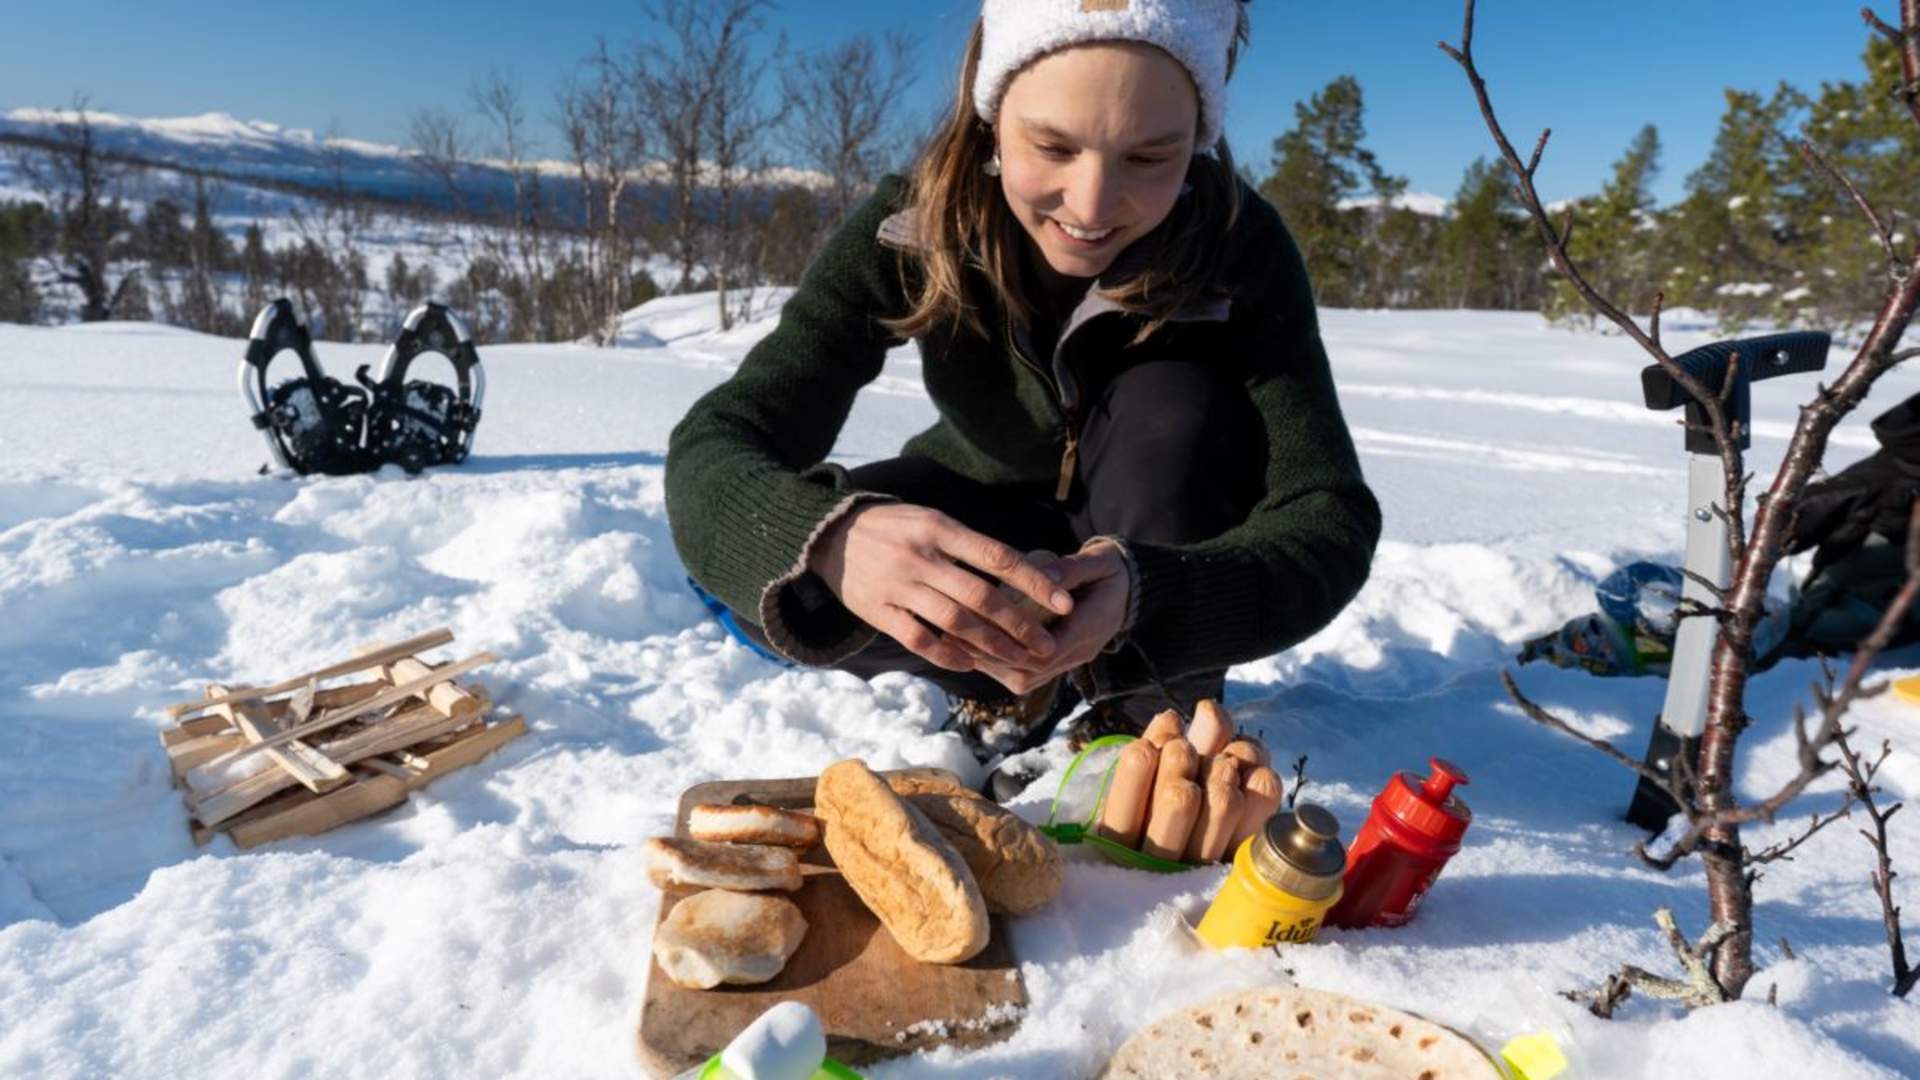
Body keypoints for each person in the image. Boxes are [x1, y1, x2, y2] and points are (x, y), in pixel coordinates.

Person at [665, 0, 1381, 775]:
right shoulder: (915, 224)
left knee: (1174, 410)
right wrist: (830, 539)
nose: (1093, 205)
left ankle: (1139, 712)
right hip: (986, 512)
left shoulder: (1239, 245)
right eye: (1053, 145)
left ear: (1200, 139)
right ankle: (1006, 683)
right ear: (992, 114)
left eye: (1151, 158)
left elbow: (1327, 515)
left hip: (1161, 543)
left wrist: (1157, 595)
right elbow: (722, 441)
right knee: (787, 586)